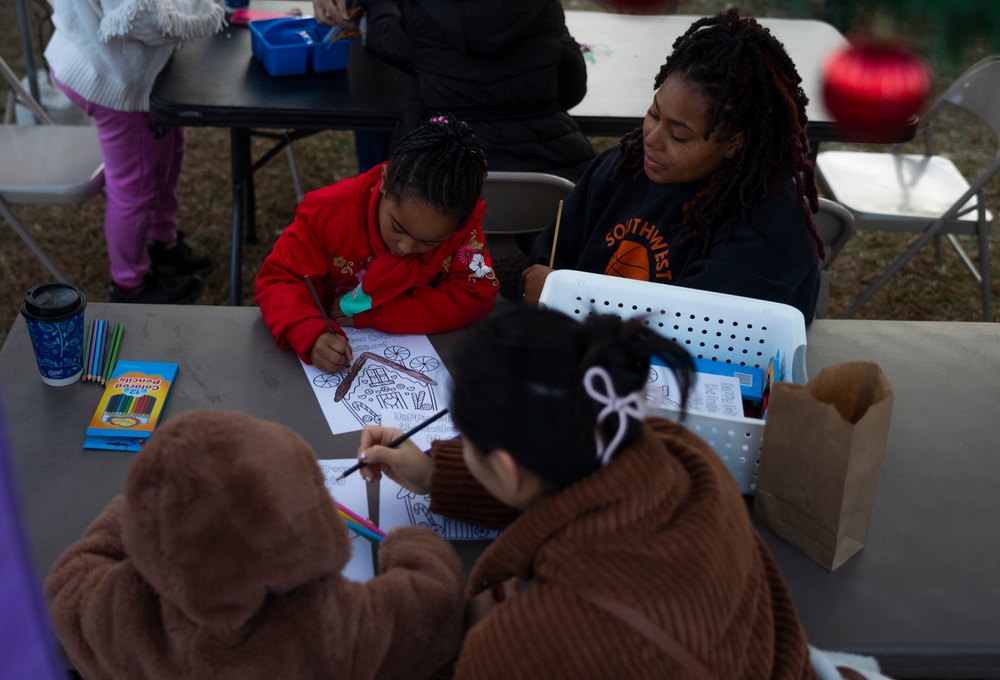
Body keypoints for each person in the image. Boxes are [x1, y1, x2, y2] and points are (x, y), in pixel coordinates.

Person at [353, 305, 821, 678]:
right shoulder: (682, 454)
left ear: (507, 468)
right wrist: (435, 475)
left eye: (467, 440)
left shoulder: (528, 648)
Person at [43, 410, 465, 680]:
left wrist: (135, 513)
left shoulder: (121, 619)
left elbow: (68, 581)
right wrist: (408, 542)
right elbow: (435, 604)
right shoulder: (329, 627)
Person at [520, 9, 825, 323]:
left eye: (679, 135)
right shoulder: (621, 167)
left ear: (735, 142)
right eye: (654, 113)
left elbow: (699, 329)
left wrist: (566, 300)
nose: (652, 138)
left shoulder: (769, 227)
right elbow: (546, 263)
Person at [255, 114, 498, 374]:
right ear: (385, 180)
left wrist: (379, 315)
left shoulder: (461, 230)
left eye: (428, 242)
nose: (404, 247)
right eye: (398, 227)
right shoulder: (326, 214)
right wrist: (311, 334)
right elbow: (279, 280)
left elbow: (476, 292)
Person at [45, 0, 219, 304]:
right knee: (135, 185)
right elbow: (146, 21)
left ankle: (161, 242)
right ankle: (130, 284)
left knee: (170, 148)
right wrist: (203, 9)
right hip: (112, 76)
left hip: (117, 62)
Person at [315, 0, 596, 183]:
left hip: (442, 175)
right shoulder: (542, 8)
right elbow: (572, 88)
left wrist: (377, 6)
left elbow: (387, 41)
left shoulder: (420, 13)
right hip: (547, 174)